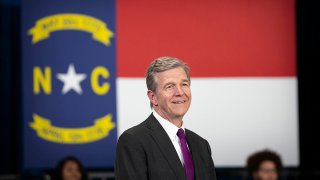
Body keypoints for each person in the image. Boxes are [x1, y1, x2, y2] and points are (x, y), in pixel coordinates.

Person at [115, 56, 217, 180]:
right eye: (169, 86)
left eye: (184, 84)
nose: (179, 92)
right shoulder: (133, 141)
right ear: (153, 97)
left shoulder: (201, 145)